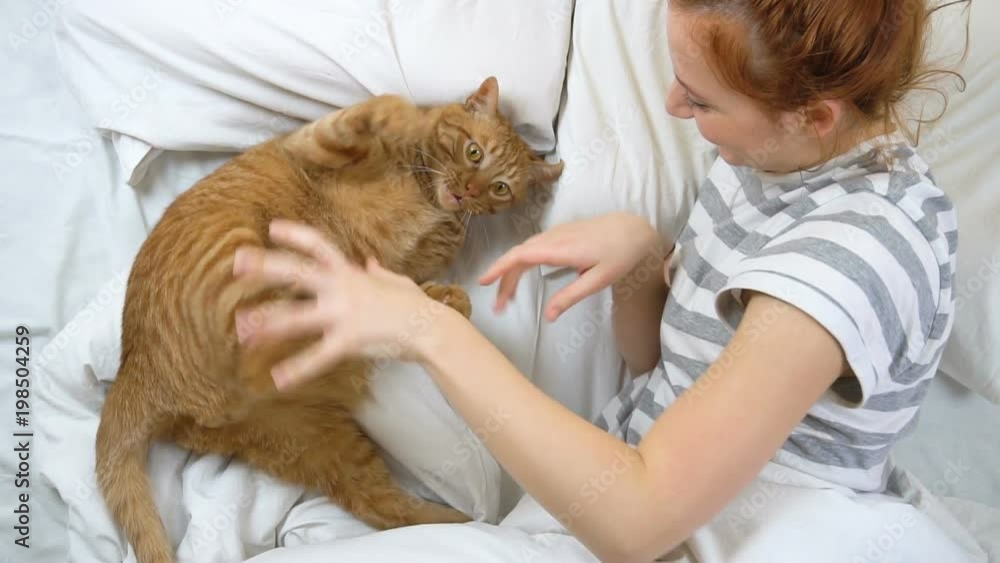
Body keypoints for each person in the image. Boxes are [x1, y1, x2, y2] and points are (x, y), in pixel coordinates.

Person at [233, 1, 984, 562]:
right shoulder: (774, 155)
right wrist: (641, 263)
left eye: (701, 100)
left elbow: (638, 522)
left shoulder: (857, 253)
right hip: (630, 490)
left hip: (716, 529)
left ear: (813, 115)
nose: (675, 107)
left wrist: (429, 331)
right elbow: (665, 371)